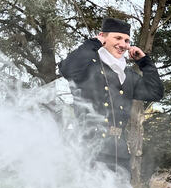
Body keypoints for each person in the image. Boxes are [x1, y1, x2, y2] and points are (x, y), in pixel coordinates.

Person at [59, 17, 164, 174]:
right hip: (91, 149)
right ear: (103, 37)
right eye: (118, 38)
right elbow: (67, 68)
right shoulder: (88, 65)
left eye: (127, 40)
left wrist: (144, 62)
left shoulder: (128, 74)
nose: (123, 44)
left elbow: (155, 92)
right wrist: (92, 43)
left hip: (119, 151)